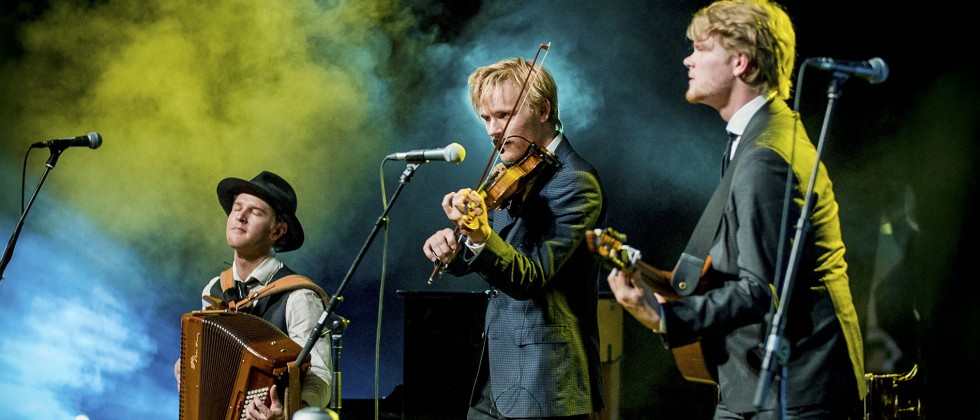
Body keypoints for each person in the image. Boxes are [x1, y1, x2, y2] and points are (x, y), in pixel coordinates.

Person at [606, 0, 866, 418]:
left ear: (740, 62)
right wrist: (654, 278)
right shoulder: (759, 137)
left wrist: (662, 318)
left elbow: (761, 289)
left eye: (702, 48)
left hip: (793, 390)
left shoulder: (765, 154)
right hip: (771, 384)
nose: (687, 59)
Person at [423, 57, 607, 419]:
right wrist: (454, 248)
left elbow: (530, 276)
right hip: (500, 372)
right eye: (486, 118)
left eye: (503, 116)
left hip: (545, 380)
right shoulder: (508, 169)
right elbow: (490, 247)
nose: (493, 130)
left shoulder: (576, 182)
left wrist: (481, 235)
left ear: (543, 110)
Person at [173, 170, 334, 420]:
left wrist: (288, 412)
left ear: (277, 231)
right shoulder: (215, 289)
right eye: (237, 207)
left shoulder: (298, 295)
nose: (240, 216)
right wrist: (187, 370)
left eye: (256, 212)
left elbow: (321, 379)